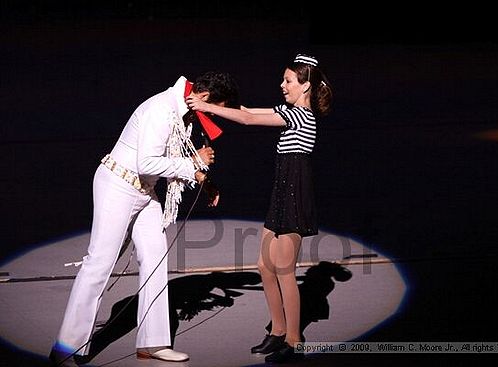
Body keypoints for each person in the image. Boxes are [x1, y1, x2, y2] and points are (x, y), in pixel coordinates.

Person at [49, 71, 239, 366]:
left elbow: (170, 160)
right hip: (117, 186)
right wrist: (193, 163)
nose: (213, 115)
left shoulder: (184, 111)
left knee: (155, 258)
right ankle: (66, 346)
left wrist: (201, 177)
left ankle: (153, 343)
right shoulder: (161, 109)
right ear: (204, 97)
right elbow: (147, 162)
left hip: (144, 191)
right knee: (99, 263)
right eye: (215, 108)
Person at [186, 53, 333, 363]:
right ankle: (278, 331)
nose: (282, 85)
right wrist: (220, 103)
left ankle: (294, 341)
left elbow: (249, 120)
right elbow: (248, 110)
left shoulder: (301, 116)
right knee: (265, 267)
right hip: (282, 193)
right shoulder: (289, 111)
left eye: (288, 81)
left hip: (294, 196)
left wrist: (205, 106)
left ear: (305, 86)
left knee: (284, 271)